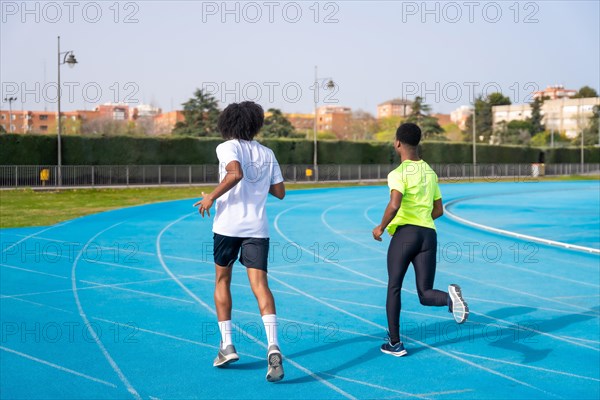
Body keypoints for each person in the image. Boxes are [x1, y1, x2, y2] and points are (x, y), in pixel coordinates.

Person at [194, 101, 285, 382]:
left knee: (222, 281)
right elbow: (280, 192)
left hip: (228, 226)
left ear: (228, 123)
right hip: (257, 228)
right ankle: (273, 345)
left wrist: (211, 196)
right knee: (261, 286)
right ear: (255, 124)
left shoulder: (227, 147)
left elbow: (235, 173)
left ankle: (228, 345)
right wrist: (260, 182)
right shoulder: (267, 152)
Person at [372, 122, 469, 357]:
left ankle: (395, 343)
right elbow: (438, 211)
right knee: (425, 293)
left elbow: (395, 204)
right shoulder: (429, 172)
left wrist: (381, 227)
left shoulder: (398, 173)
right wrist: (422, 216)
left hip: (406, 235)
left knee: (394, 287)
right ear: (418, 143)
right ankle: (449, 300)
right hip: (428, 234)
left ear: (397, 143)